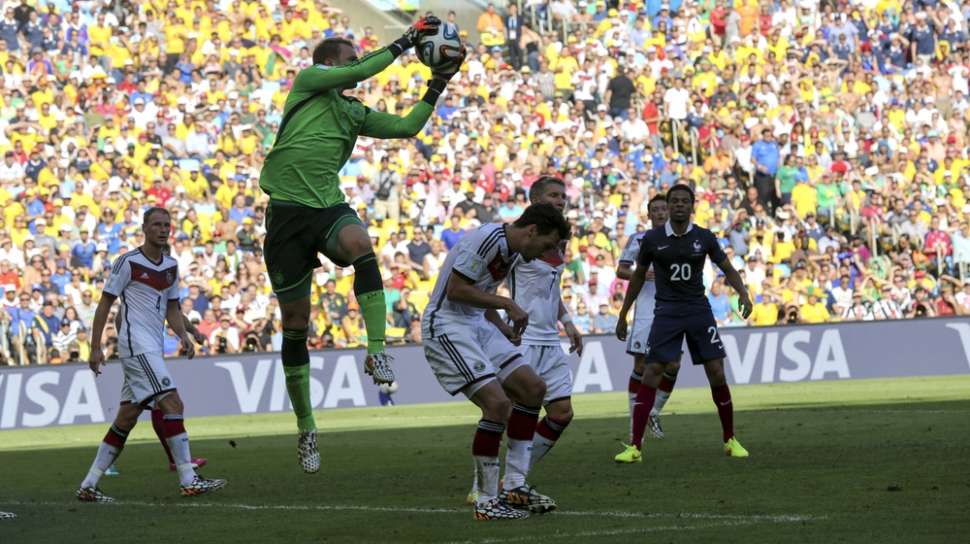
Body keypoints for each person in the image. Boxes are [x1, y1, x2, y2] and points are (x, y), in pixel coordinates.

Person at [257, 17, 465, 474]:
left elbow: (408, 126)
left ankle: (377, 350)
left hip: (327, 206)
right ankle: (307, 426)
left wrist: (437, 84)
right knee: (296, 322)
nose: (357, 67)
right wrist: (405, 41)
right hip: (287, 213)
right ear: (329, 64)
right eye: (351, 59)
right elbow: (358, 73)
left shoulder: (352, 113)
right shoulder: (308, 82)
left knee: (361, 245)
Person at [421, 203, 570, 520]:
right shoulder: (489, 239)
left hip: (477, 324)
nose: (546, 253)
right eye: (546, 245)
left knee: (532, 388)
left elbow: (479, 292)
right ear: (531, 231)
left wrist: (501, 325)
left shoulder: (514, 250)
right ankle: (486, 502)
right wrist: (506, 303)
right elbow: (457, 289)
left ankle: (515, 485)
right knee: (498, 406)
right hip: (447, 325)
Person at [76, 208, 225, 502]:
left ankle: (89, 485)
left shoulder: (171, 266)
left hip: (152, 346)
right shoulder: (128, 262)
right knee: (172, 401)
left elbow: (172, 309)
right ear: (144, 228)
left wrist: (185, 334)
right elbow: (105, 304)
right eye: (156, 224)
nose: (162, 229)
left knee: (126, 418)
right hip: (135, 344)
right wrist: (95, 347)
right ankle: (188, 478)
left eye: (166, 225)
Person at [466, 176, 583, 508]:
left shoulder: (557, 242)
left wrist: (568, 322)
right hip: (523, 339)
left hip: (550, 338)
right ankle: (482, 484)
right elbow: (490, 286)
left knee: (561, 413)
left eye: (563, 195)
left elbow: (551, 291)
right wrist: (501, 320)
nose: (560, 200)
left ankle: (514, 480)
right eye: (553, 195)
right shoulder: (520, 240)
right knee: (506, 411)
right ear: (535, 200)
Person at [615, 184, 753, 463]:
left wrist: (743, 293)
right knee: (652, 370)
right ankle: (635, 447)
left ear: (692, 206)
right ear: (669, 205)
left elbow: (726, 267)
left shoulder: (704, 237)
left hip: (698, 310)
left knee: (716, 372)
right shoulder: (652, 239)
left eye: (683, 201)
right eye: (674, 201)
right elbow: (639, 276)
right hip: (666, 312)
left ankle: (730, 439)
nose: (679, 205)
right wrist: (623, 314)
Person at [616, 195, 680, 440]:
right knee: (641, 366)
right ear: (649, 214)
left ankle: (654, 410)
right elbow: (621, 270)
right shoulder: (639, 239)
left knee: (673, 364)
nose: (661, 213)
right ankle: (636, 431)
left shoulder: (681, 239)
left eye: (665, 208)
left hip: (672, 310)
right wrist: (640, 273)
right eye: (656, 210)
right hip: (645, 311)